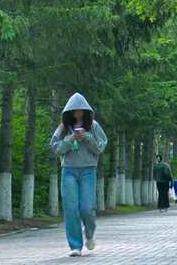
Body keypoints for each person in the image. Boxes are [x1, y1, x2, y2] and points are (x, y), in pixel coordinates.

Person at [49, 93, 108, 257]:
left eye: (81, 110)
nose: (78, 113)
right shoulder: (62, 128)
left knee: (87, 208)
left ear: (86, 111)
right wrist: (70, 139)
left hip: (88, 171)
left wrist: (87, 137)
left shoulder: (94, 126)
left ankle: (89, 234)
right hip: (68, 171)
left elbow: (100, 148)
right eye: (74, 111)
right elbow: (54, 147)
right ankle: (75, 245)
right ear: (68, 111)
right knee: (71, 209)